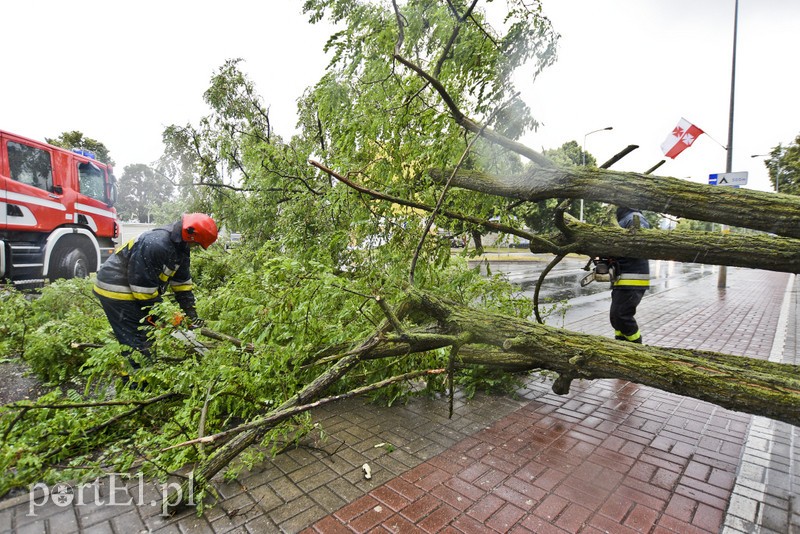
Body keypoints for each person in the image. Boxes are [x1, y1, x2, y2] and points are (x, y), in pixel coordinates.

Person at [93, 213, 218, 370]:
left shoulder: (181, 248)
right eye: (196, 244)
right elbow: (143, 291)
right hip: (116, 288)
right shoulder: (157, 244)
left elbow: (182, 283)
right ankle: (137, 383)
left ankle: (142, 372)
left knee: (146, 332)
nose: (195, 248)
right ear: (191, 235)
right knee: (138, 338)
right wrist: (169, 317)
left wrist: (190, 313)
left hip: (135, 289)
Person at [609, 206, 651, 344]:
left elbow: (639, 246)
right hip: (623, 277)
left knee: (622, 316)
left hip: (633, 277)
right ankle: (621, 346)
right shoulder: (623, 219)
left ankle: (637, 347)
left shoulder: (635, 219)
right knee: (616, 317)